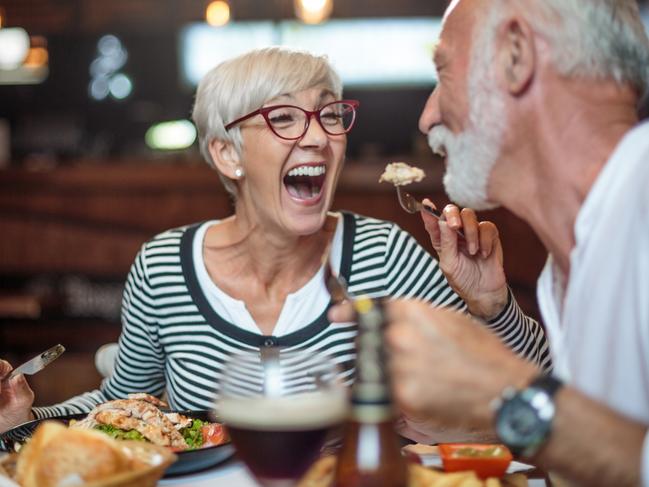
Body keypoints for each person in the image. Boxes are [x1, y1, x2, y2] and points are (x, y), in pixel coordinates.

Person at [0, 47, 548, 433]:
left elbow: (535, 394)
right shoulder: (164, 266)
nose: (317, 136)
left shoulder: (383, 256)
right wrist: (22, 422)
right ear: (227, 154)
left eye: (328, 115)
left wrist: (494, 308)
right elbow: (117, 408)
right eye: (284, 117)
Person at [369, 0, 649, 485]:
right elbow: (599, 427)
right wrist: (496, 311)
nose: (427, 116)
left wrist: (502, 392)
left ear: (516, 55)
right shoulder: (569, 262)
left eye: (443, 73)